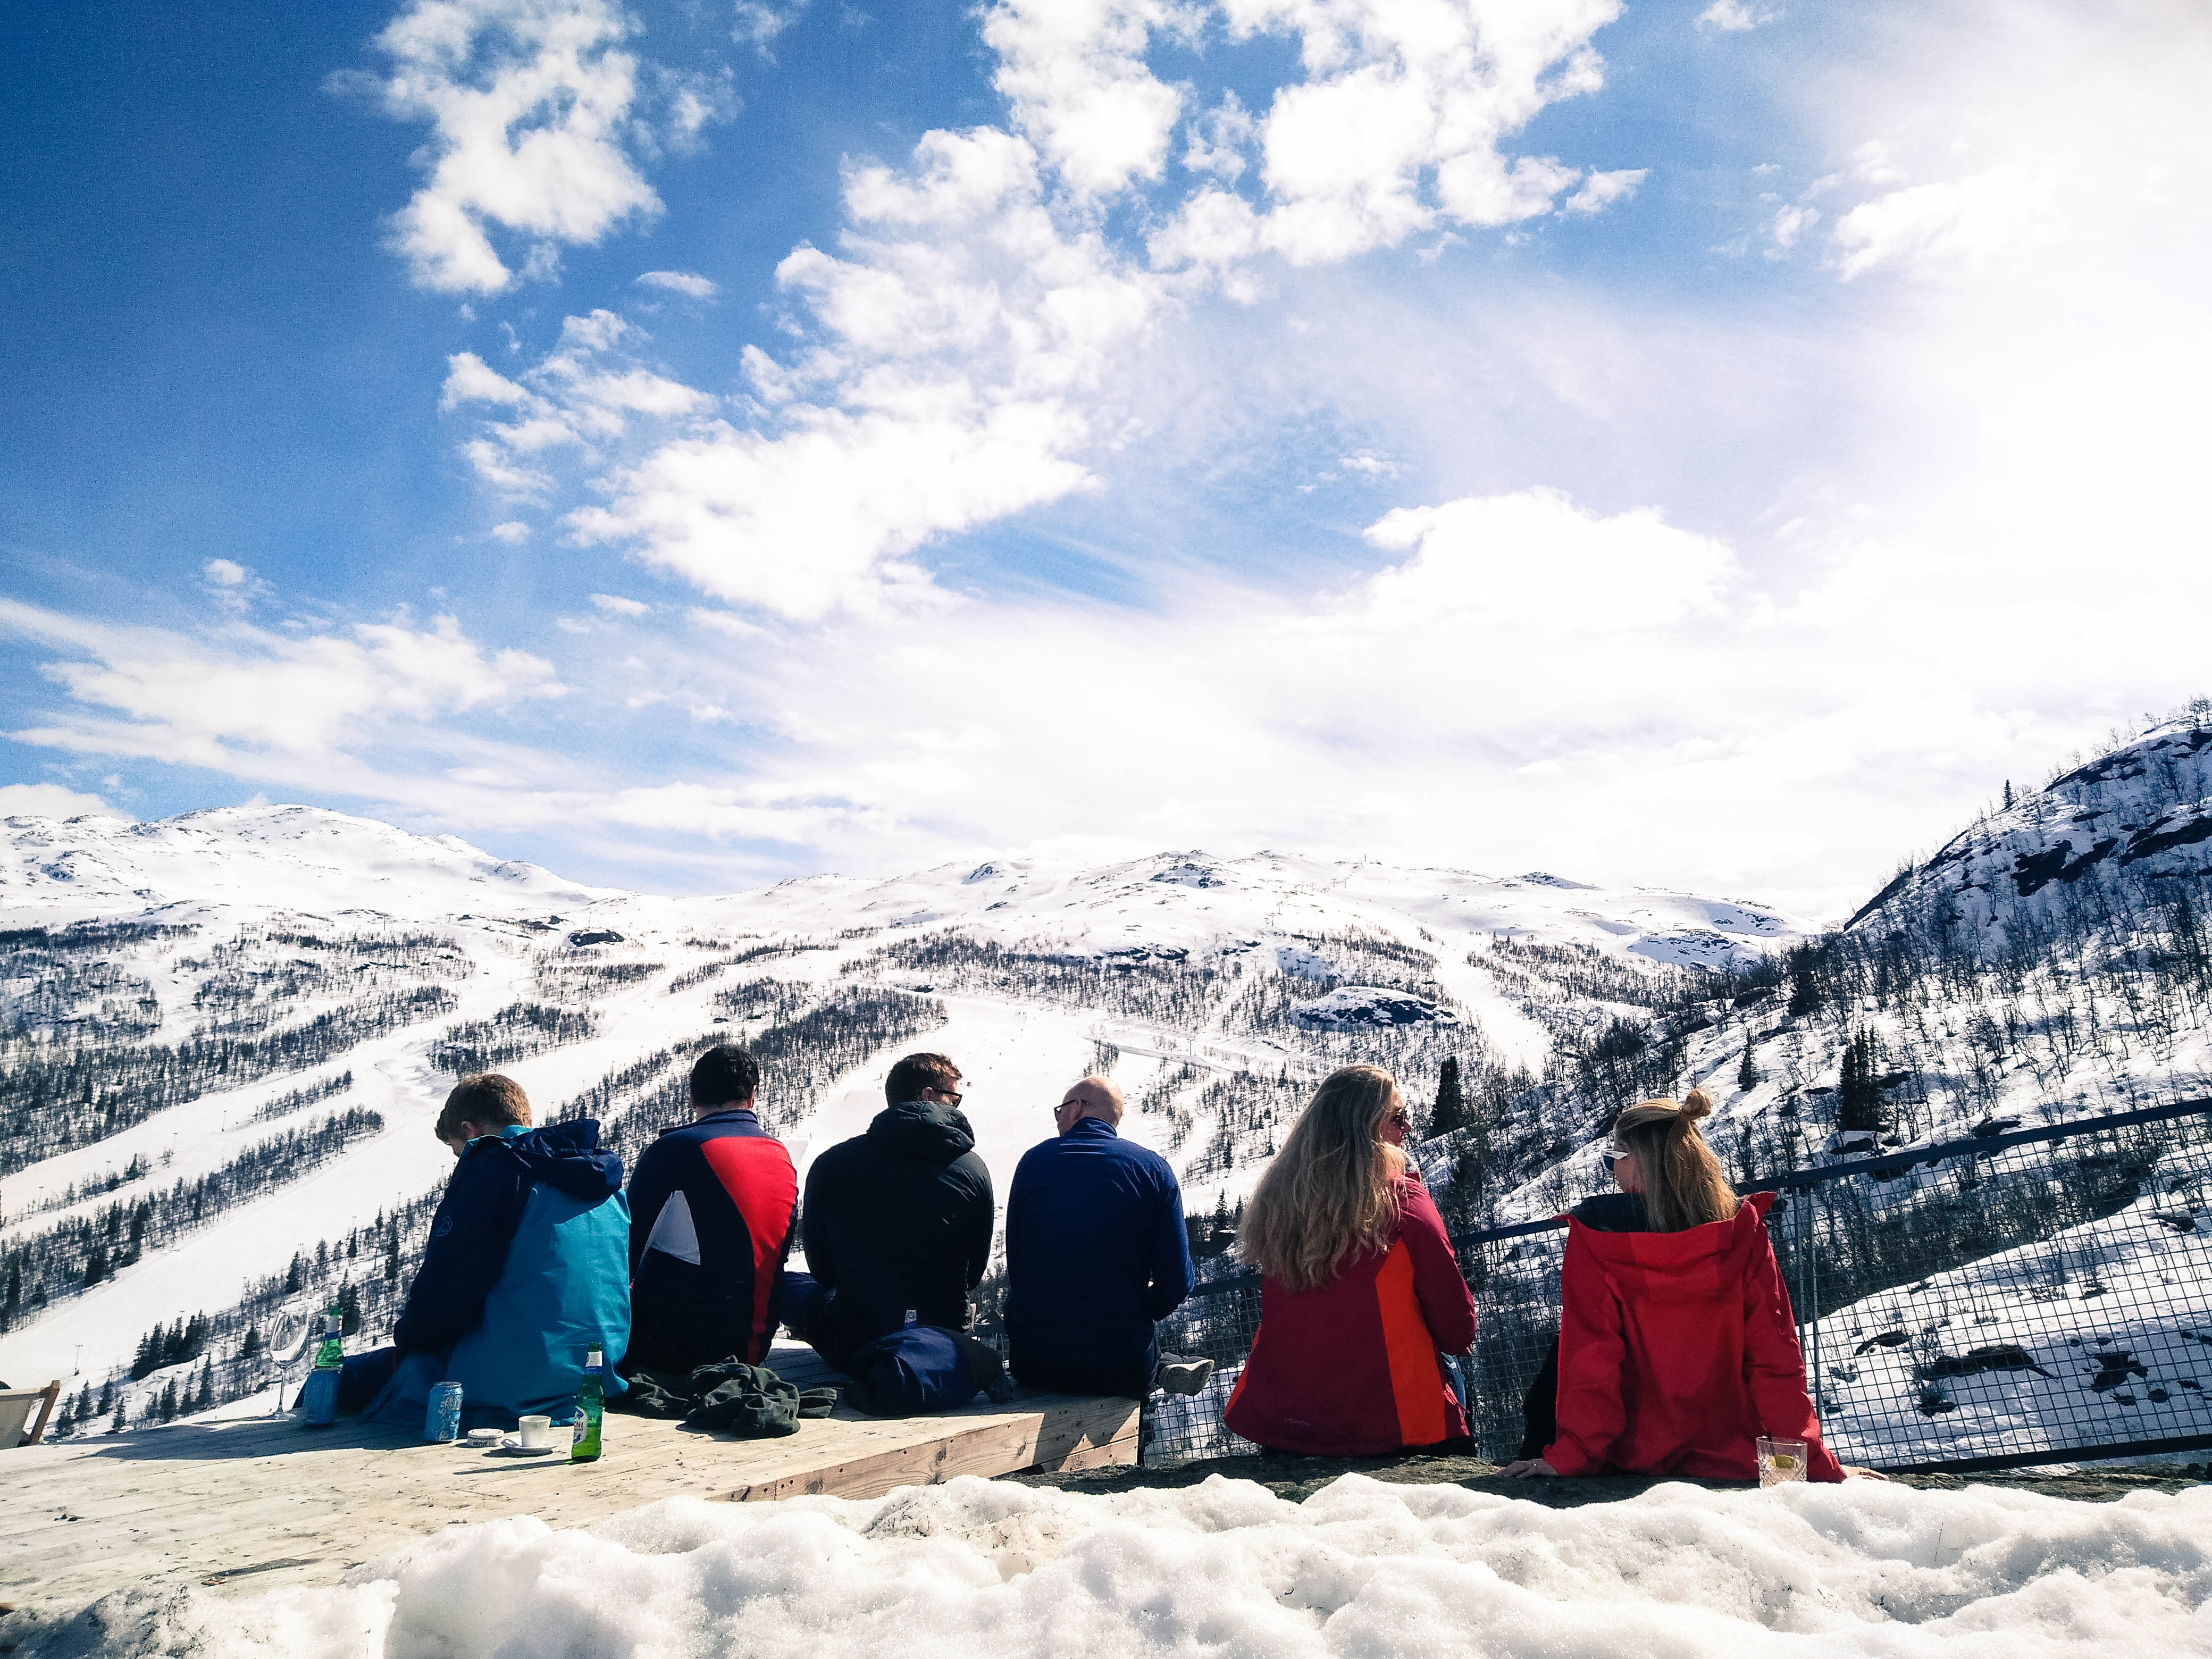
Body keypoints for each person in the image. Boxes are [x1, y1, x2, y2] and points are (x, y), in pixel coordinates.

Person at [1502, 1088, 1873, 1483]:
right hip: (1733, 1459)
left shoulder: (1597, 1240)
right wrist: (1808, 1466)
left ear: (1640, 1161)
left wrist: (1573, 1456)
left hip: (1631, 1460)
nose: (1612, 1171)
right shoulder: (1742, 1233)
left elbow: (1592, 1359)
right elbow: (1774, 1358)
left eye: (1614, 1158)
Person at [340, 1074, 630, 1430]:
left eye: (458, 1149)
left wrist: (409, 1343)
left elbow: (445, 1296)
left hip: (509, 1383)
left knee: (332, 1383)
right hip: (594, 1381)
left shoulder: (493, 1169)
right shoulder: (601, 1177)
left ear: (470, 1129)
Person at [1223, 1065, 1477, 1456]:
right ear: (1367, 1127)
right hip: (1388, 1425)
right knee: (1452, 1376)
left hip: (1289, 1423)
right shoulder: (1403, 1204)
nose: (1407, 1128)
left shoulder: (1277, 1204)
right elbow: (1458, 1329)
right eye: (1398, 1117)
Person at [783, 1052, 1008, 1413]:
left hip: (855, 1343)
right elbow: (974, 1273)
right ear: (930, 1095)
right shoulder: (972, 1168)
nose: (958, 1107)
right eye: (955, 1097)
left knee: (789, 1286)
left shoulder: (833, 1163)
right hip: (938, 1346)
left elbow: (823, 1272)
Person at [1003, 1076, 1211, 1399]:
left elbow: (1017, 1265)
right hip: (1120, 1364)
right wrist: (1134, 1313)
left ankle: (1164, 1363)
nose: (1058, 1119)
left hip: (1033, 1361)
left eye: (1060, 1111)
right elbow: (1178, 1282)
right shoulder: (1152, 1169)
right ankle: (1163, 1366)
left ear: (1076, 1110)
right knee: (1139, 1365)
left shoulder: (1033, 1163)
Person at [625, 1044, 798, 1372]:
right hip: (755, 1344)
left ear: (692, 1098)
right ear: (753, 1096)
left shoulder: (675, 1151)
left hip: (680, 1348)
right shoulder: (779, 1154)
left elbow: (626, 1252)